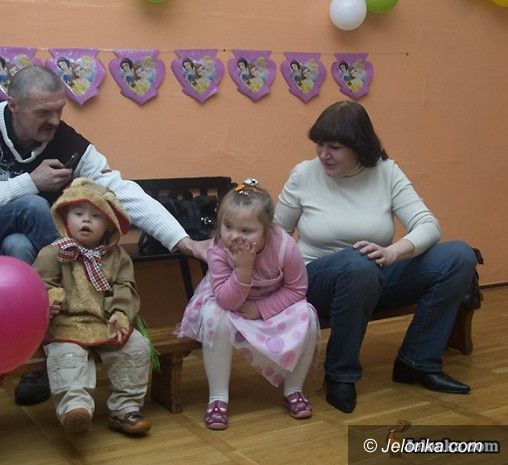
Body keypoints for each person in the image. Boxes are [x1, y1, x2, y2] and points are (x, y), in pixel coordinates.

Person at [0, 65, 206, 406]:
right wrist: (30, 182)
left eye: (59, 110)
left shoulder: (65, 141)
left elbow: (117, 191)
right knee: (33, 205)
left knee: (18, 244)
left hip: (18, 264)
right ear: (14, 106)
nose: (54, 121)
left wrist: (182, 240)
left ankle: (39, 345)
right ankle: (81, 306)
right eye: (43, 112)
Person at [274, 101, 477, 414]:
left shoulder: (386, 172)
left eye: (334, 147)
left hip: (375, 275)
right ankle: (340, 375)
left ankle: (417, 362)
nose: (324, 154)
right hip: (317, 280)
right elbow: (277, 235)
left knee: (459, 256)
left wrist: (393, 252)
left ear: (359, 146)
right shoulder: (304, 175)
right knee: (358, 264)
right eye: (320, 145)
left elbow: (428, 225)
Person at [178, 179, 319, 429]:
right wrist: (243, 269)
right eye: (228, 226)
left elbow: (297, 289)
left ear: (268, 229)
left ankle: (294, 390)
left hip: (272, 304)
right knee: (214, 315)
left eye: (246, 231)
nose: (234, 236)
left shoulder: (284, 247)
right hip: (229, 302)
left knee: (308, 314)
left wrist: (261, 309)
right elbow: (226, 300)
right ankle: (218, 398)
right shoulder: (219, 249)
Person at [34, 178, 152, 435]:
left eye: (96, 216)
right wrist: (48, 299)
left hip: (105, 321)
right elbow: (38, 284)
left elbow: (125, 287)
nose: (86, 220)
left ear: (108, 225)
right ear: (65, 218)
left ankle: (125, 408)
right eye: (78, 214)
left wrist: (120, 313)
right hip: (66, 323)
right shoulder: (52, 253)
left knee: (135, 348)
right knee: (68, 356)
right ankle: (75, 408)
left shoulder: (118, 257)